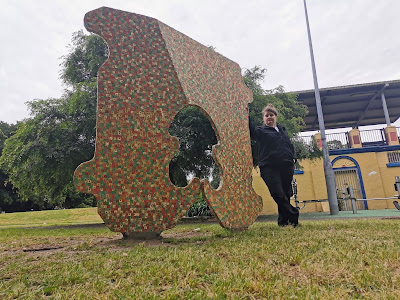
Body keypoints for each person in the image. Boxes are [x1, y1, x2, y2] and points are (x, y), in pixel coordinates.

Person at [248, 103, 299, 227]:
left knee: (286, 194)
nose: (269, 117)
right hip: (269, 166)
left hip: (286, 165)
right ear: (264, 118)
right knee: (277, 193)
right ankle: (293, 214)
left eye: (271, 115)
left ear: (275, 116)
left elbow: (289, 145)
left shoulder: (282, 130)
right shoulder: (261, 131)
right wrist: (247, 115)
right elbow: (251, 131)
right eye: (266, 115)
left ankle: (284, 222)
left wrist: (293, 157)